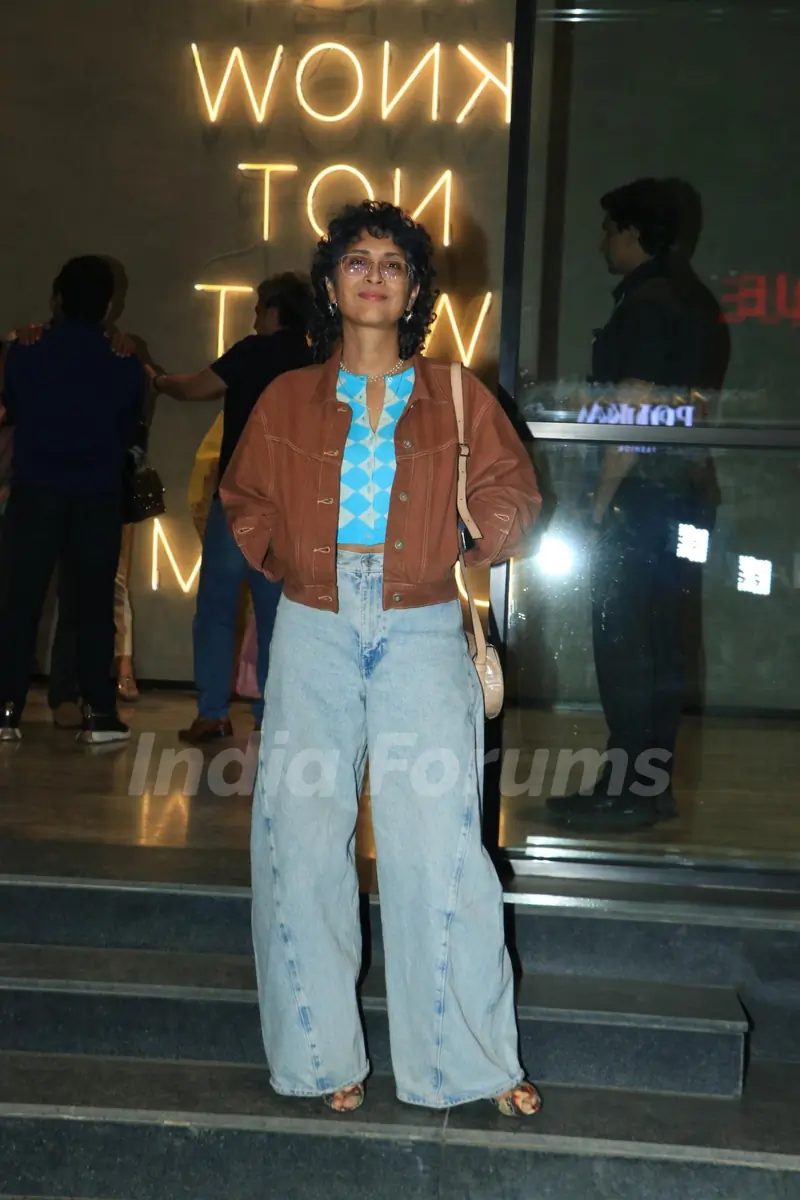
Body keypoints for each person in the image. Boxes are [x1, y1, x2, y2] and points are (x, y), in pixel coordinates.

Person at [220, 200, 542, 1116]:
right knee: (298, 841)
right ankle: (322, 1056)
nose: (372, 274)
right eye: (356, 260)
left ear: (412, 291)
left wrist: (483, 533)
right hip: (315, 624)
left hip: (422, 621)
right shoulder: (287, 396)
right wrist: (294, 566)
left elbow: (511, 493)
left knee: (439, 842)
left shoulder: (455, 394)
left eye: (392, 264)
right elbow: (244, 498)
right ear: (329, 284)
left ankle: (466, 1062)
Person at [547, 178, 718, 832]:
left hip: (640, 501)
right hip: (680, 496)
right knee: (662, 646)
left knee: (625, 644)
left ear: (631, 234)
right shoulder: (692, 302)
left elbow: (636, 403)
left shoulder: (646, 304)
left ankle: (627, 790)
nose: (602, 243)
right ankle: (648, 785)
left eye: (608, 230)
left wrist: (600, 498)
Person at [149, 274, 313, 744]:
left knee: (217, 608)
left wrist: (158, 380)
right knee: (275, 615)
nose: (254, 317)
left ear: (275, 310)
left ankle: (213, 712)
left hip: (238, 498)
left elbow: (196, 387)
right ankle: (270, 711)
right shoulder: (313, 359)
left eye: (259, 308)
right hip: (288, 504)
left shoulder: (251, 352)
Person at [0, 256, 145, 743]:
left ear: (56, 298)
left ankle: (6, 710)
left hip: (35, 490)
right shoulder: (124, 364)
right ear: (108, 305)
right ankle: (99, 713)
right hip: (96, 497)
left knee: (19, 604)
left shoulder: (24, 352)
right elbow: (128, 429)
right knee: (90, 609)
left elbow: (14, 408)